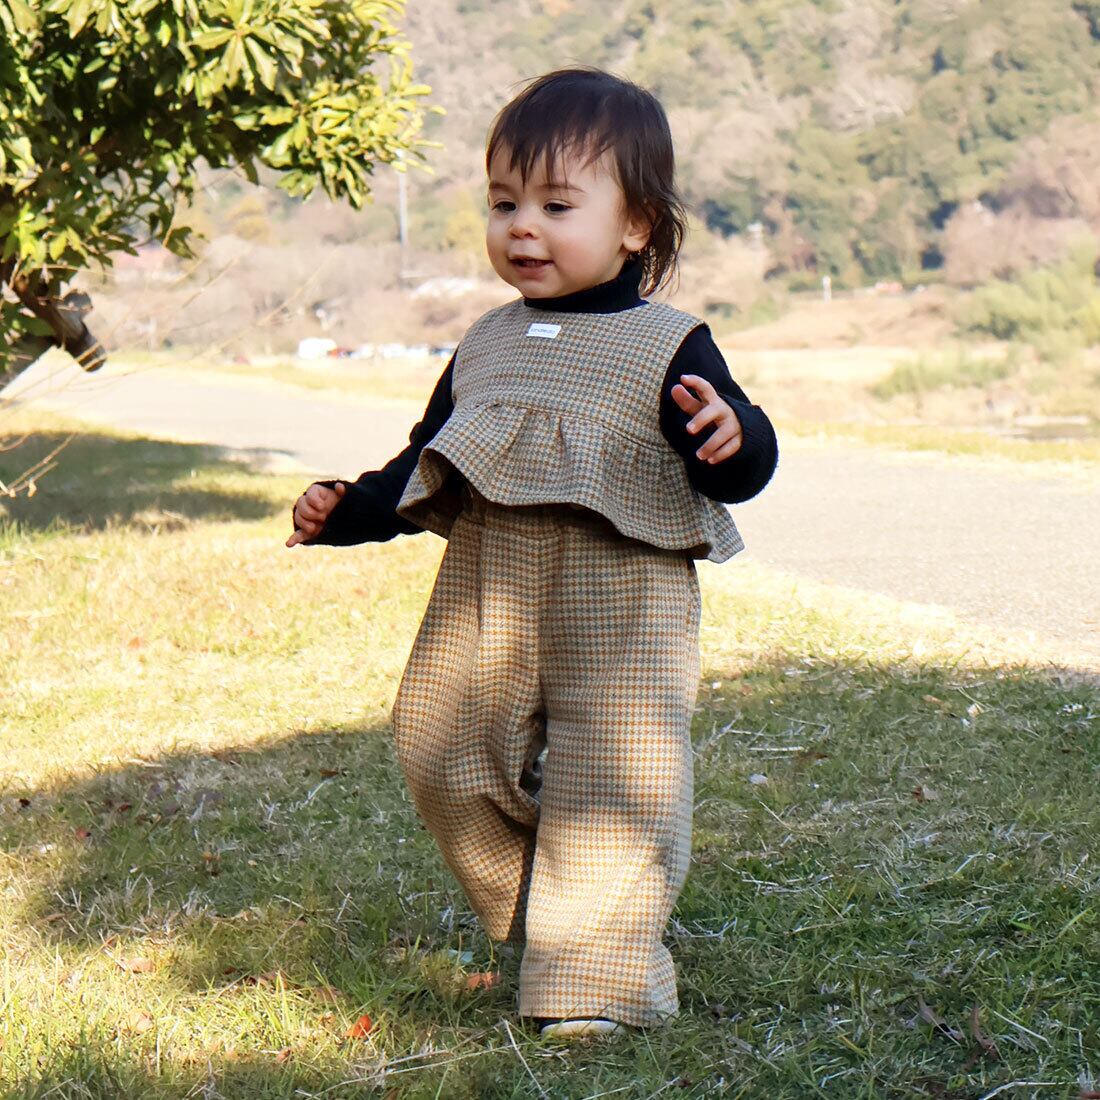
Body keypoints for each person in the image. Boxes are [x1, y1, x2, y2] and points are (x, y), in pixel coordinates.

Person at [287, 68, 778, 1039]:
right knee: (440, 748)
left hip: (623, 595)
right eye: (504, 202)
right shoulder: (485, 341)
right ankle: (551, 915)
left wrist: (738, 438)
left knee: (613, 775)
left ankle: (596, 978)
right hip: (487, 582)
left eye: (556, 206)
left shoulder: (669, 343)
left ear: (636, 225)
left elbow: (736, 457)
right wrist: (350, 509)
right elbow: (429, 456)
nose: (522, 227)